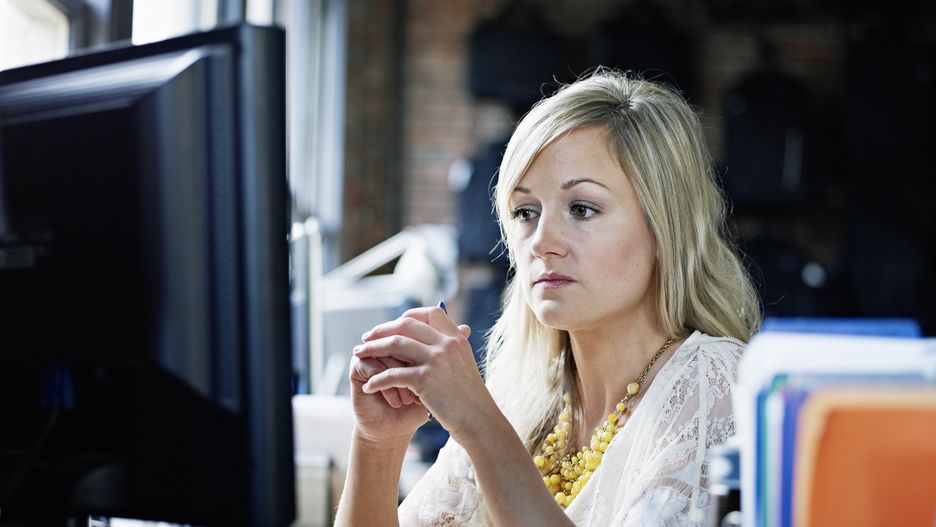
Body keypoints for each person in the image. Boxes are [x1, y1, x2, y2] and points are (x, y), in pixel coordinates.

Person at [334, 69, 761, 526]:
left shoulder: (715, 381)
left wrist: (477, 420)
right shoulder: (521, 395)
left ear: (665, 227)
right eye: (525, 212)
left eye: (582, 209)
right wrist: (378, 444)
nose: (541, 241)